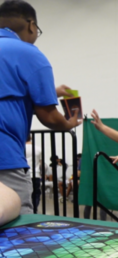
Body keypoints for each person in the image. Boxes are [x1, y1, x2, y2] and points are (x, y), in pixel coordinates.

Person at [0, 0, 80, 214]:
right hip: (4, 158)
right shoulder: (28, 53)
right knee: (15, 230)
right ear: (31, 25)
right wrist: (68, 124)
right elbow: (48, 116)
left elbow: (8, 89)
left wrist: (51, 90)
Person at [25, 134, 42, 212]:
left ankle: (26, 210)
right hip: (35, 174)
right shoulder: (38, 148)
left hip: (24, 174)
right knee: (36, 193)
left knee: (24, 194)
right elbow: (41, 162)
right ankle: (34, 210)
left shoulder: (21, 147)